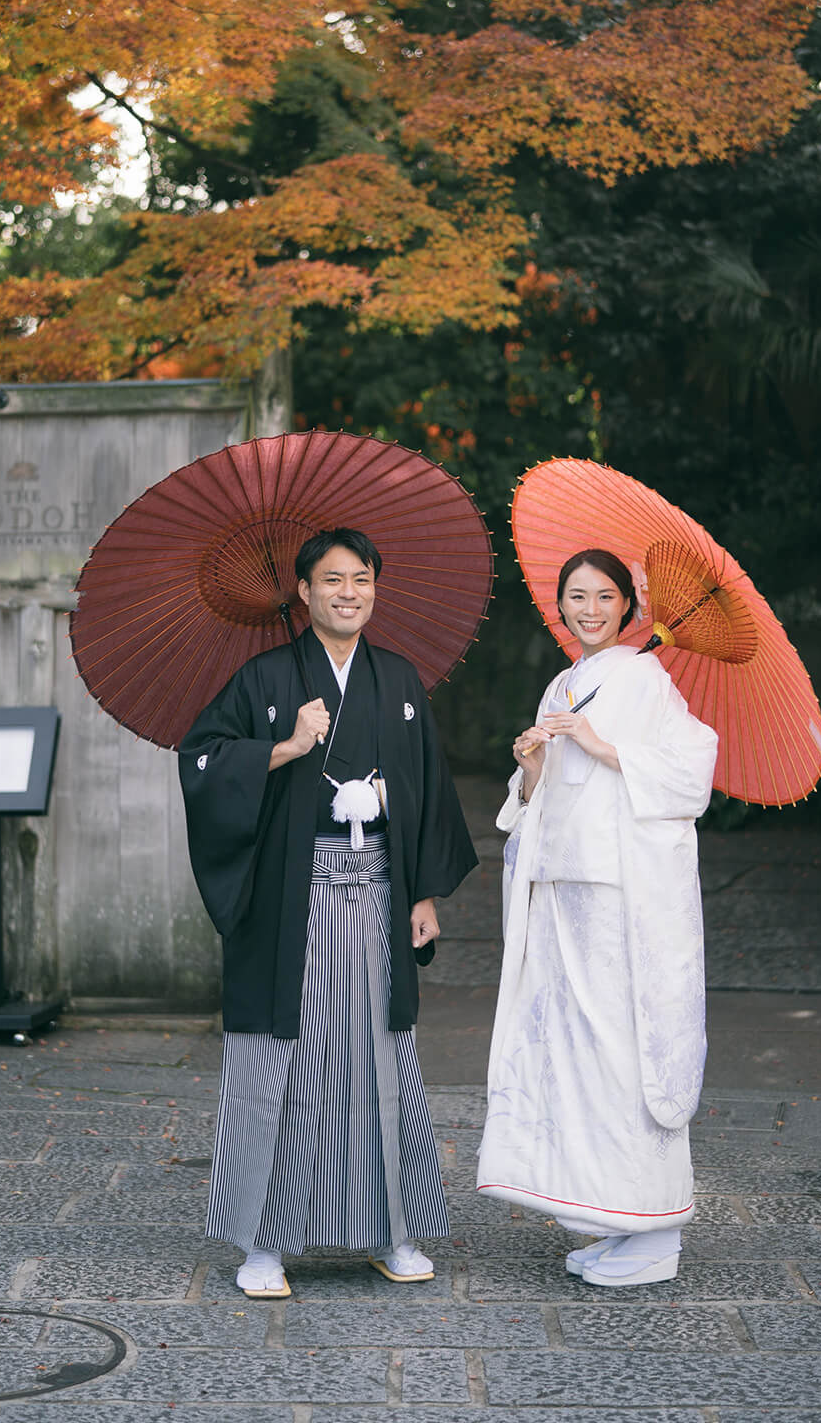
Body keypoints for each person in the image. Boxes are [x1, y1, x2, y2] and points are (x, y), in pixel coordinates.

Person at [179, 526, 477, 1299]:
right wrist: (284, 745)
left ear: (376, 587)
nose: (350, 593)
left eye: (363, 579)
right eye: (333, 580)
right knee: (282, 1064)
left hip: (377, 887)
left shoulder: (400, 682)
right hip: (292, 896)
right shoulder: (267, 678)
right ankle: (263, 1244)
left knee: (379, 1055)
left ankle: (391, 1229)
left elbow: (427, 788)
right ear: (303, 593)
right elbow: (203, 759)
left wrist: (420, 894)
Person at [476, 548, 718, 1288]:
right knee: (573, 1056)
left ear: (627, 608)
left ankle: (653, 1232)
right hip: (565, 891)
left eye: (603, 597)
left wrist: (603, 745)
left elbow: (692, 770)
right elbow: (542, 798)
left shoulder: (644, 676)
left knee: (623, 1053)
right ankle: (609, 1221)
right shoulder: (564, 681)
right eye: (575, 596)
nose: (588, 609)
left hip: (618, 898)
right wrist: (533, 764)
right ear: (561, 604)